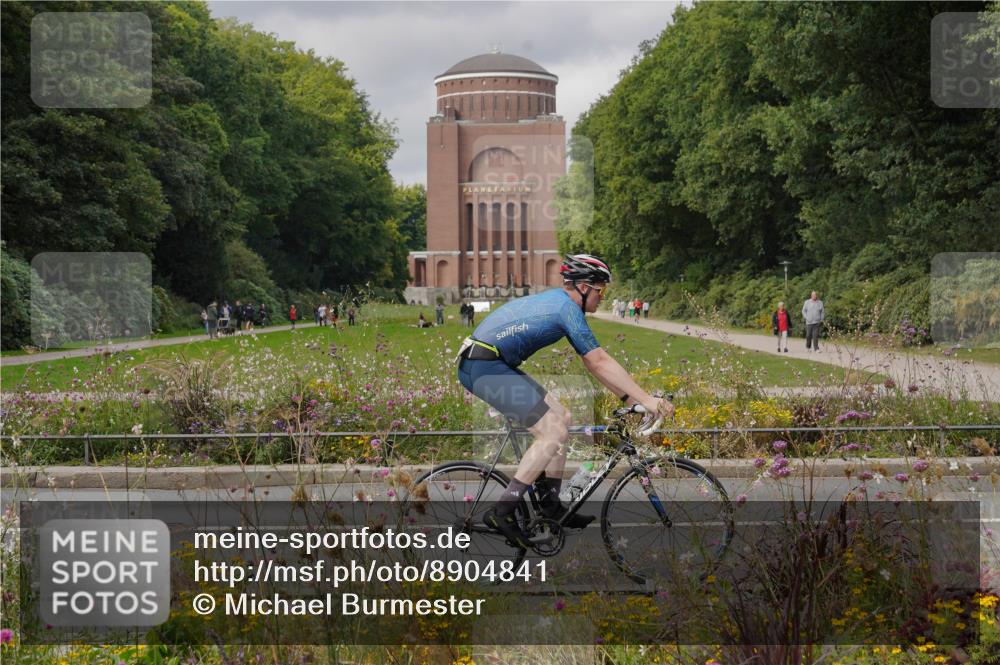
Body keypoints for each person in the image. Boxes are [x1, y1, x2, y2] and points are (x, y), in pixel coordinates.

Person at [457, 254, 673, 549]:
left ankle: (550, 506)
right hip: (482, 367)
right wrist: (647, 399)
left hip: (493, 364)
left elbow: (593, 364)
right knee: (552, 431)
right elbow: (598, 360)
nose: (602, 298)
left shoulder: (562, 304)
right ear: (584, 287)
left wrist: (631, 398)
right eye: (601, 291)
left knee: (563, 418)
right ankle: (502, 511)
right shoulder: (566, 309)